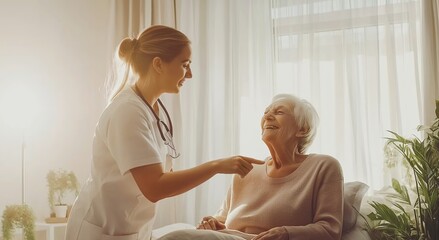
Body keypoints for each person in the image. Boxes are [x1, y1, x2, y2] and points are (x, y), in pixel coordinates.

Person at [65, 25, 263, 240]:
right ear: (158, 64)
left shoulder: (153, 108)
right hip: (101, 231)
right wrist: (216, 166)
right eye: (184, 64)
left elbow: (159, 177)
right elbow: (154, 187)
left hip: (133, 229)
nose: (190, 73)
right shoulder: (128, 111)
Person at [158, 94, 344, 240]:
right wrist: (212, 223)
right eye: (266, 112)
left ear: (302, 129)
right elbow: (222, 219)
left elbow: (330, 230)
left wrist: (286, 233)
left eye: (279, 112)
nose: (267, 116)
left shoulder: (323, 166)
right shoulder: (246, 170)